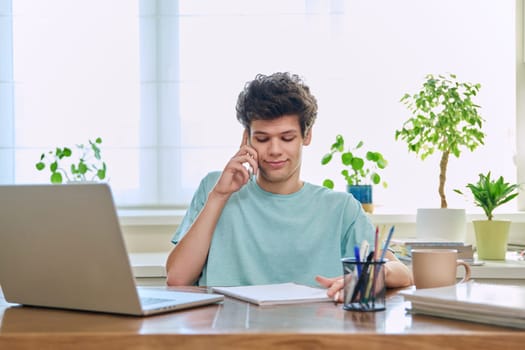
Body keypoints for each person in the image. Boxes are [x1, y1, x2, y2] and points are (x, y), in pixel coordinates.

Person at [165, 72, 412, 302]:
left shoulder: (340, 208)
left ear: (307, 136)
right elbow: (177, 278)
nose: (274, 150)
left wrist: (373, 276)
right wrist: (219, 196)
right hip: (230, 336)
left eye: (287, 138)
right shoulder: (216, 188)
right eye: (262, 139)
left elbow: (401, 272)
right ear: (247, 138)